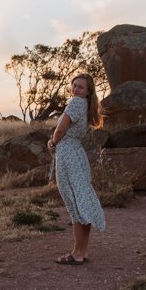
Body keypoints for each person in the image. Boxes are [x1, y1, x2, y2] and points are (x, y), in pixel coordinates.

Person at [47, 73, 105, 264]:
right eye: (74, 85)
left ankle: (77, 254)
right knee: (82, 200)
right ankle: (82, 251)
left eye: (80, 87)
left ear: (88, 91)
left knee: (74, 201)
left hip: (68, 153)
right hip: (77, 153)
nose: (76, 89)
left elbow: (60, 130)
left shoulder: (75, 103)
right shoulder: (88, 106)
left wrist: (53, 142)